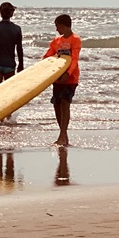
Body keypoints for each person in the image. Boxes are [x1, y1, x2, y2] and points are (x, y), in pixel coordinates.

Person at [43, 14, 81, 146]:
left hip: (70, 78)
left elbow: (74, 59)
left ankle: (62, 135)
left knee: (65, 104)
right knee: (57, 105)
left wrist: (68, 74)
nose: (56, 29)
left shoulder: (75, 40)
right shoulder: (56, 41)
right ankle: (63, 135)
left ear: (63, 26)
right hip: (57, 78)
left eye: (57, 26)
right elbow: (48, 56)